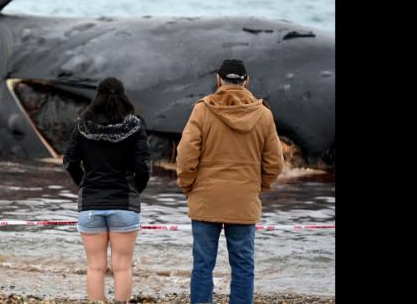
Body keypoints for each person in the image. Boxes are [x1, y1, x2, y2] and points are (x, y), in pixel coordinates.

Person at [176, 59, 284, 304]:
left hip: (205, 199)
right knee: (243, 266)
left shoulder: (202, 110)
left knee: (203, 266)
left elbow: (186, 156)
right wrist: (258, 187)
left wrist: (188, 186)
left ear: (218, 80)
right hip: (244, 201)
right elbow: (275, 163)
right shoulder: (263, 115)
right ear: (246, 81)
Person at [63, 76, 152, 302]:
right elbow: (143, 166)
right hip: (124, 203)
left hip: (91, 204)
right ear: (123, 96)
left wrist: (84, 183)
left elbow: (70, 161)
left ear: (98, 96)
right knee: (122, 267)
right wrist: (135, 189)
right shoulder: (135, 125)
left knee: (95, 267)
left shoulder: (82, 124)